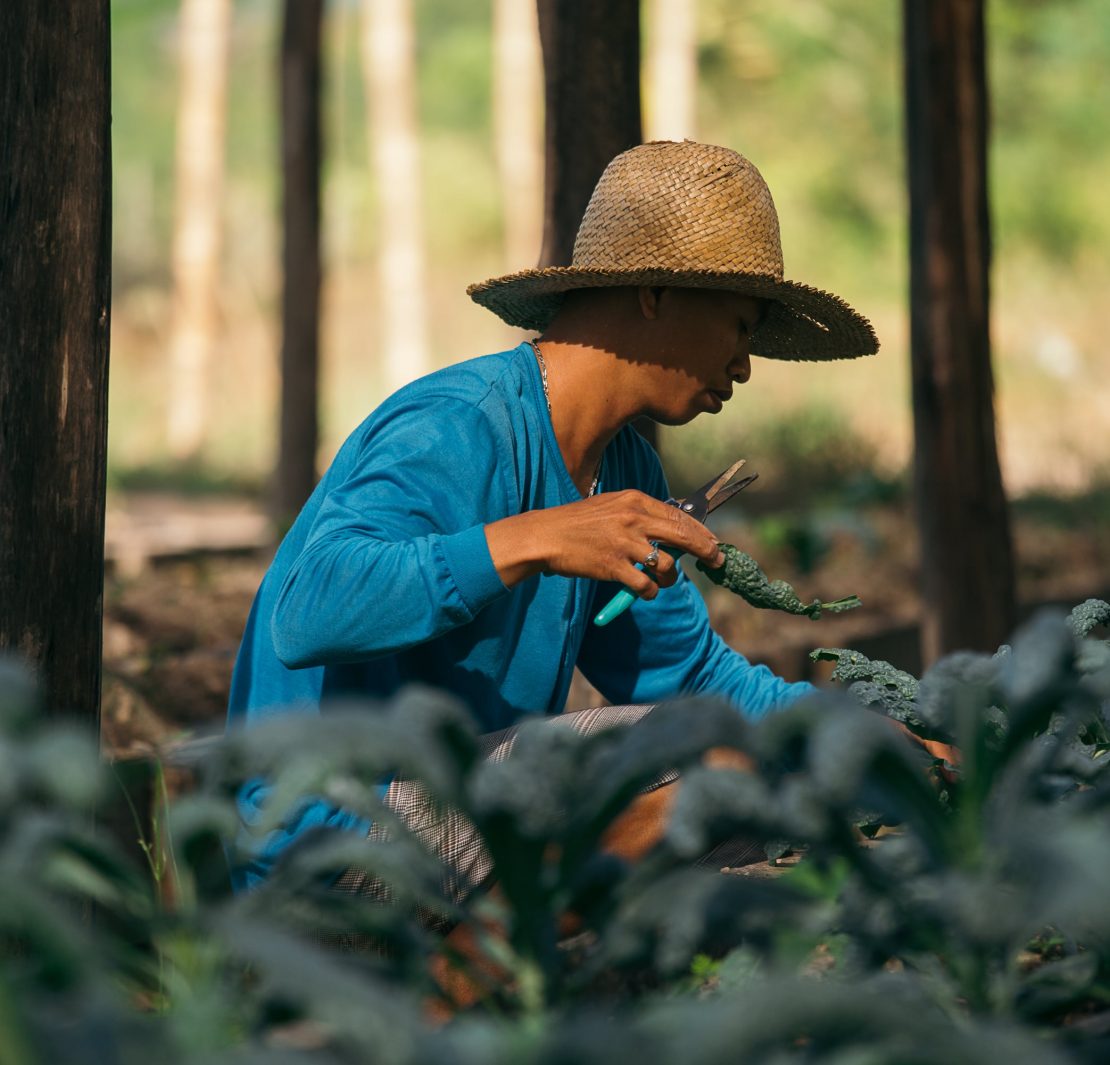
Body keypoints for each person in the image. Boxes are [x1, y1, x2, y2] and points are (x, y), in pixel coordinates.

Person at [226, 140, 879, 893]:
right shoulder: (457, 426)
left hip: (462, 814)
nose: (745, 364)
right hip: (327, 841)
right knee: (719, 770)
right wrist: (536, 538)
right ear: (655, 293)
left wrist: (862, 730)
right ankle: (494, 958)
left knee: (746, 768)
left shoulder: (626, 469)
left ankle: (496, 957)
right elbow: (307, 612)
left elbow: (695, 676)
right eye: (738, 325)